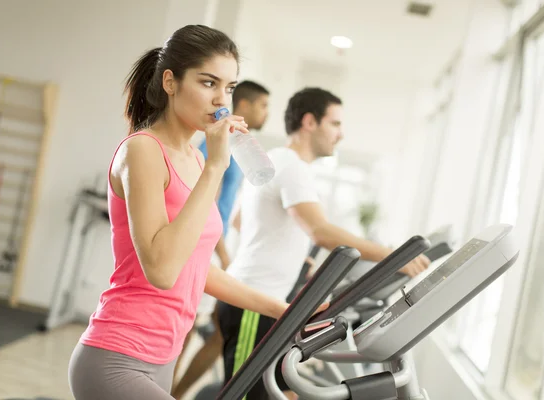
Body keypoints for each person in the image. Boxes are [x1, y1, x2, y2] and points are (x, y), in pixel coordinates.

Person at [67, 25, 325, 400]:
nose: (221, 99)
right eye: (208, 83)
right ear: (170, 82)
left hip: (163, 358)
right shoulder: (143, 150)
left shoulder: (194, 158)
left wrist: (284, 309)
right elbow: (162, 270)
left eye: (230, 88)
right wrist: (216, 168)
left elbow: (195, 268)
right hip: (117, 357)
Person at [218, 87, 431, 400]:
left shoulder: (276, 159)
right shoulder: (290, 166)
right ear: (309, 122)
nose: (340, 134)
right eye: (335, 124)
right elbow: (321, 231)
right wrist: (393, 257)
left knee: (283, 393)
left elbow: (240, 220)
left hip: (263, 299)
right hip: (253, 300)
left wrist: (290, 255)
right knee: (245, 396)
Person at [171, 80, 270, 399]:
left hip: (218, 244)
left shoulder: (234, 146)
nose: (265, 112)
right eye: (262, 105)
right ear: (244, 106)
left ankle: (175, 391)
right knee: (188, 326)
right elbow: (202, 206)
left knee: (211, 330)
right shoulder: (212, 148)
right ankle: (167, 390)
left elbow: (228, 205)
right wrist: (225, 254)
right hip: (205, 246)